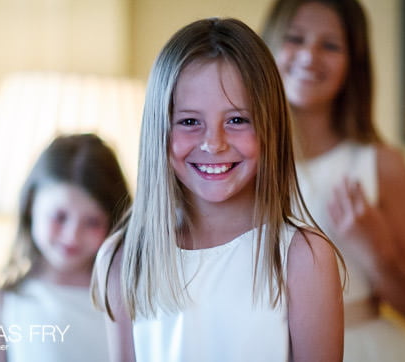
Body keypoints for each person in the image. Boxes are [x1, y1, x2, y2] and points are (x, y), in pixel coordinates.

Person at [91, 17, 344, 362]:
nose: (214, 143)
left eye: (237, 120)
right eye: (190, 122)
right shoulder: (123, 258)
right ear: (159, 131)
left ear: (270, 127)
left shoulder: (303, 258)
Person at [262, 0, 405, 361]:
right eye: (295, 38)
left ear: (354, 64)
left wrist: (376, 250)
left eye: (331, 45)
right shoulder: (240, 161)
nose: (309, 56)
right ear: (267, 46)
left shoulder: (381, 165)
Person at [0, 133, 131, 362]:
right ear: (32, 205)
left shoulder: (124, 297)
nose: (72, 236)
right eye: (59, 217)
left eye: (92, 222)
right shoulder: (4, 301)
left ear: (113, 221)